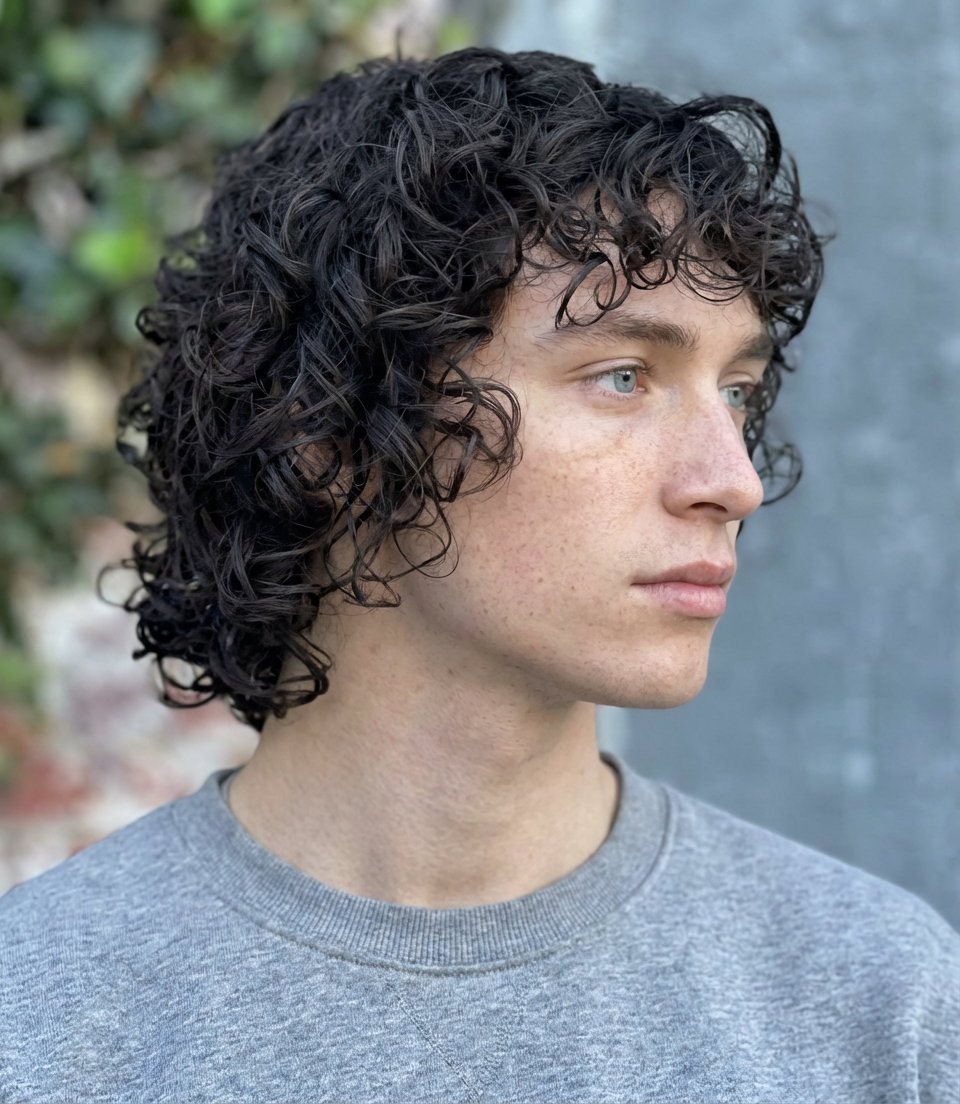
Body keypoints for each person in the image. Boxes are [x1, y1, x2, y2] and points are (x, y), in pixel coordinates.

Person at [1, 47, 957, 1104]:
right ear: (327, 434)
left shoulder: (881, 1002)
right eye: (624, 375)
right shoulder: (42, 1019)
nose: (731, 481)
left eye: (735, 390)